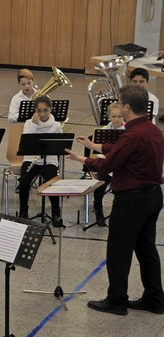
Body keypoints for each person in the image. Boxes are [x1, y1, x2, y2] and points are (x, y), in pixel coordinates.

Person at [66, 85, 164, 316]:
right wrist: (95, 146)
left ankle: (116, 300)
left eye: (120, 103)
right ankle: (155, 298)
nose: (118, 106)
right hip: (152, 196)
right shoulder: (152, 129)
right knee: (146, 248)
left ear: (127, 107)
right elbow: (122, 148)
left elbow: (109, 164)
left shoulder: (132, 134)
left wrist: (84, 158)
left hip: (132, 200)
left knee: (118, 251)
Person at [17, 96, 63, 227]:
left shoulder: (57, 125)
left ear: (51, 109)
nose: (42, 114)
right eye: (39, 111)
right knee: (24, 182)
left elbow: (59, 147)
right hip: (31, 159)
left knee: (52, 184)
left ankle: (56, 213)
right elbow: (27, 141)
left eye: (45, 110)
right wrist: (34, 125)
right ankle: (23, 211)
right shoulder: (28, 123)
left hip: (49, 160)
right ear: (35, 111)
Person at [91, 102, 125, 225]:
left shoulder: (128, 131)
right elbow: (96, 152)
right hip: (106, 163)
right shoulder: (103, 131)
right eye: (114, 116)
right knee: (100, 183)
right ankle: (98, 207)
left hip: (122, 165)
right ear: (108, 117)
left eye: (120, 116)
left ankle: (120, 212)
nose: (117, 119)